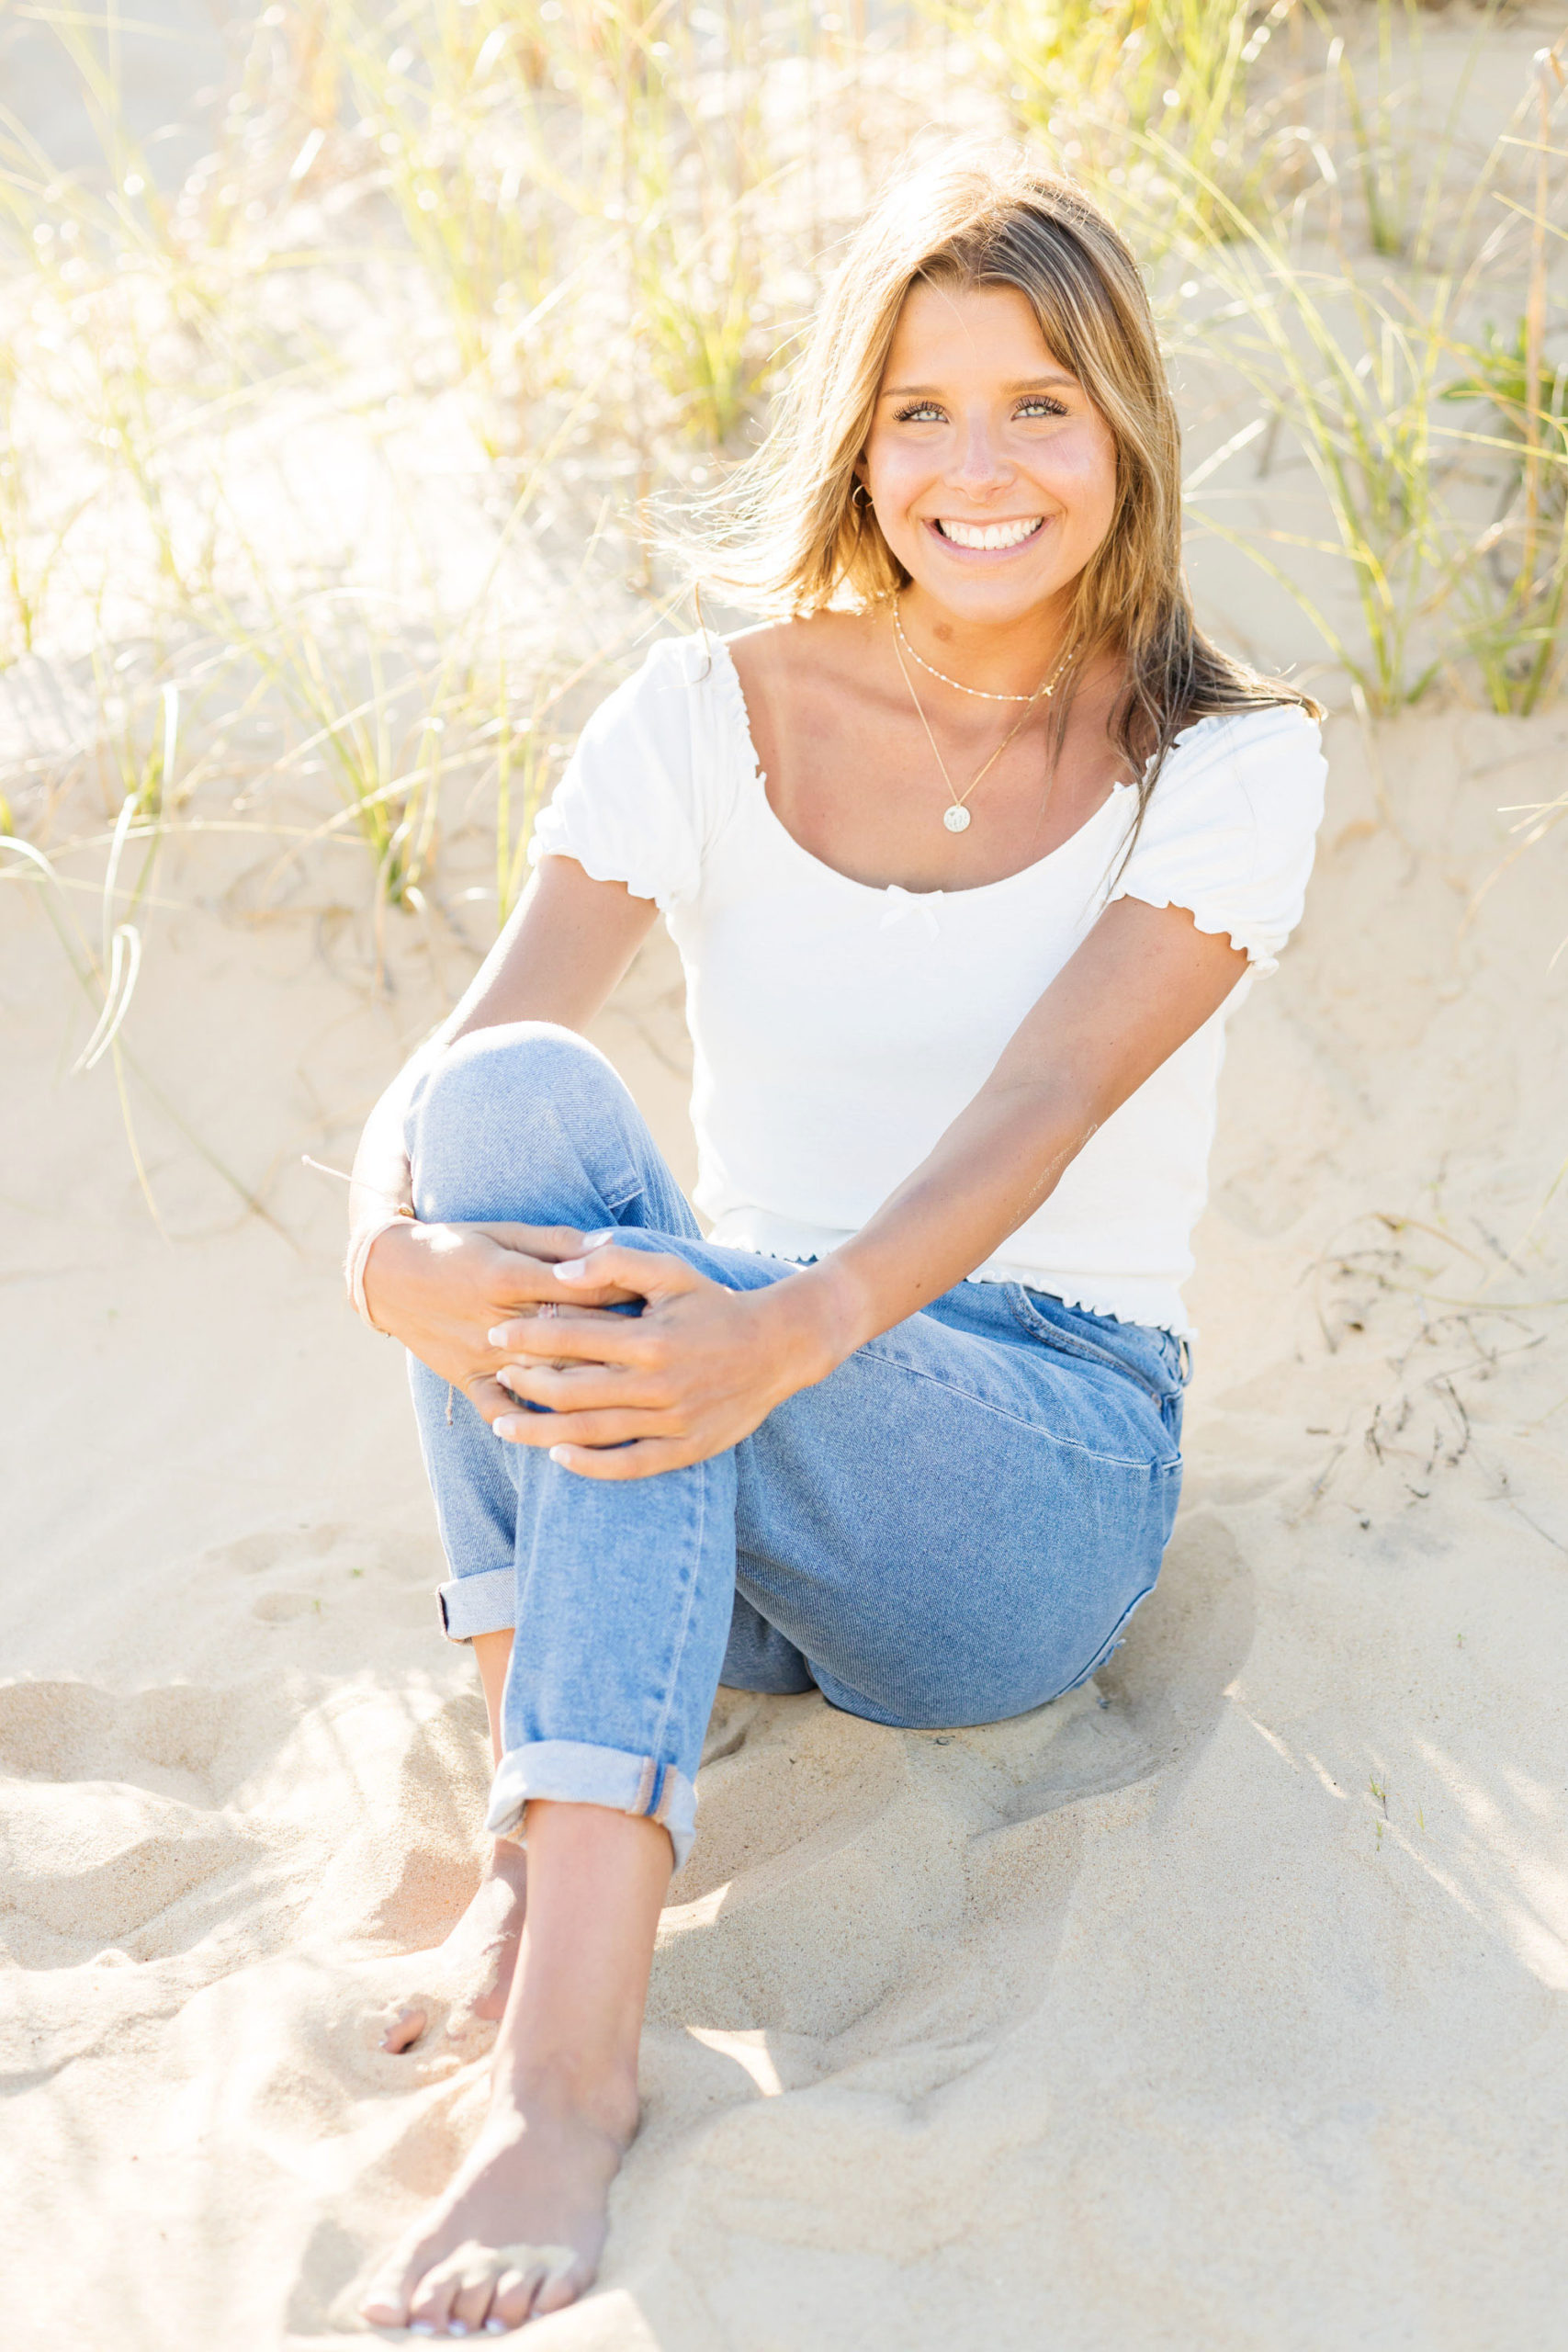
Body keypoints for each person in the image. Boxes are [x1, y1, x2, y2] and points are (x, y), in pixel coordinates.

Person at [348, 147, 1325, 2335]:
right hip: (718, 1435)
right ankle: (538, 1839)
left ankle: (566, 2077)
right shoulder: (701, 713)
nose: (976, 466)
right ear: (856, 441)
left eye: (1037, 405)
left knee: (669, 1301)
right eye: (921, 409)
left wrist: (781, 1324)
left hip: (1018, 1467)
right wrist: (376, 1253)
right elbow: (461, 1061)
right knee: (512, 1114)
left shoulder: (1229, 762)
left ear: (1125, 434)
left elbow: (1041, 1101)